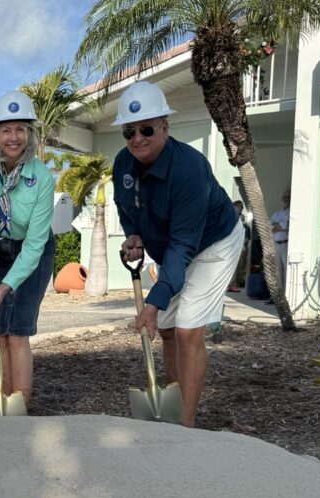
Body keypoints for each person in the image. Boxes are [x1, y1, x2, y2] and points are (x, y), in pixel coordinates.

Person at [112, 80, 243, 427]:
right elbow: (125, 208)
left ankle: (184, 427)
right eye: (129, 131)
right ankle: (170, 404)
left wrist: (153, 304)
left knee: (186, 329)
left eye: (146, 129)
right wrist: (133, 234)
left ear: (165, 127)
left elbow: (184, 246)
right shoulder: (122, 163)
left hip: (214, 244)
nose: (137, 138)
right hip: (173, 249)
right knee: (167, 331)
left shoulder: (189, 168)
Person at [0, 90, 55, 408]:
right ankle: (3, 401)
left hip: (34, 255)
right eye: (6, 129)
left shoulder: (41, 176)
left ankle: (21, 410)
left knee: (17, 332)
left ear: (29, 133)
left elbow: (35, 242)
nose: (13, 137)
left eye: (20, 129)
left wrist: (6, 286)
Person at [270, 189, 290, 288]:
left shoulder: (291, 212)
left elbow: (287, 225)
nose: (286, 199)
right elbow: (269, 227)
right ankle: (280, 293)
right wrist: (280, 226)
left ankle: (286, 293)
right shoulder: (277, 213)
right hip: (276, 244)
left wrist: (278, 225)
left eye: (288, 197)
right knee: (278, 270)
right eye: (284, 197)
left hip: (286, 244)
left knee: (287, 270)